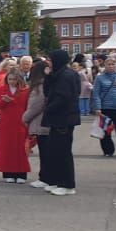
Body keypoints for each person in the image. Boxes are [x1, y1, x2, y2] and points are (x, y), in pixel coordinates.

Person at [41, 49, 81, 196]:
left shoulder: (66, 75)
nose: (48, 62)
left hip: (64, 118)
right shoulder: (58, 74)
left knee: (63, 152)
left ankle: (67, 184)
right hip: (58, 118)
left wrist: (48, 109)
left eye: (50, 60)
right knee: (55, 151)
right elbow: (47, 91)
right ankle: (58, 181)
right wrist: (48, 76)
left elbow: (63, 97)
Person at [0, 67, 31, 183]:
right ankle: (7, 173)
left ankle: (21, 174)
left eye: (14, 79)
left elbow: (28, 107)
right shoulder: (1, 89)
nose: (11, 82)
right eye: (9, 79)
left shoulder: (25, 91)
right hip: (6, 123)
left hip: (21, 122)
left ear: (19, 79)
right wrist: (4, 101)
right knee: (7, 148)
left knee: (20, 148)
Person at [22, 63, 51, 189]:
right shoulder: (47, 83)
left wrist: (25, 117)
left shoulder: (40, 86)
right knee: (47, 152)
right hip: (46, 121)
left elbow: (36, 105)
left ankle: (45, 177)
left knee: (45, 153)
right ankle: (46, 176)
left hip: (40, 122)